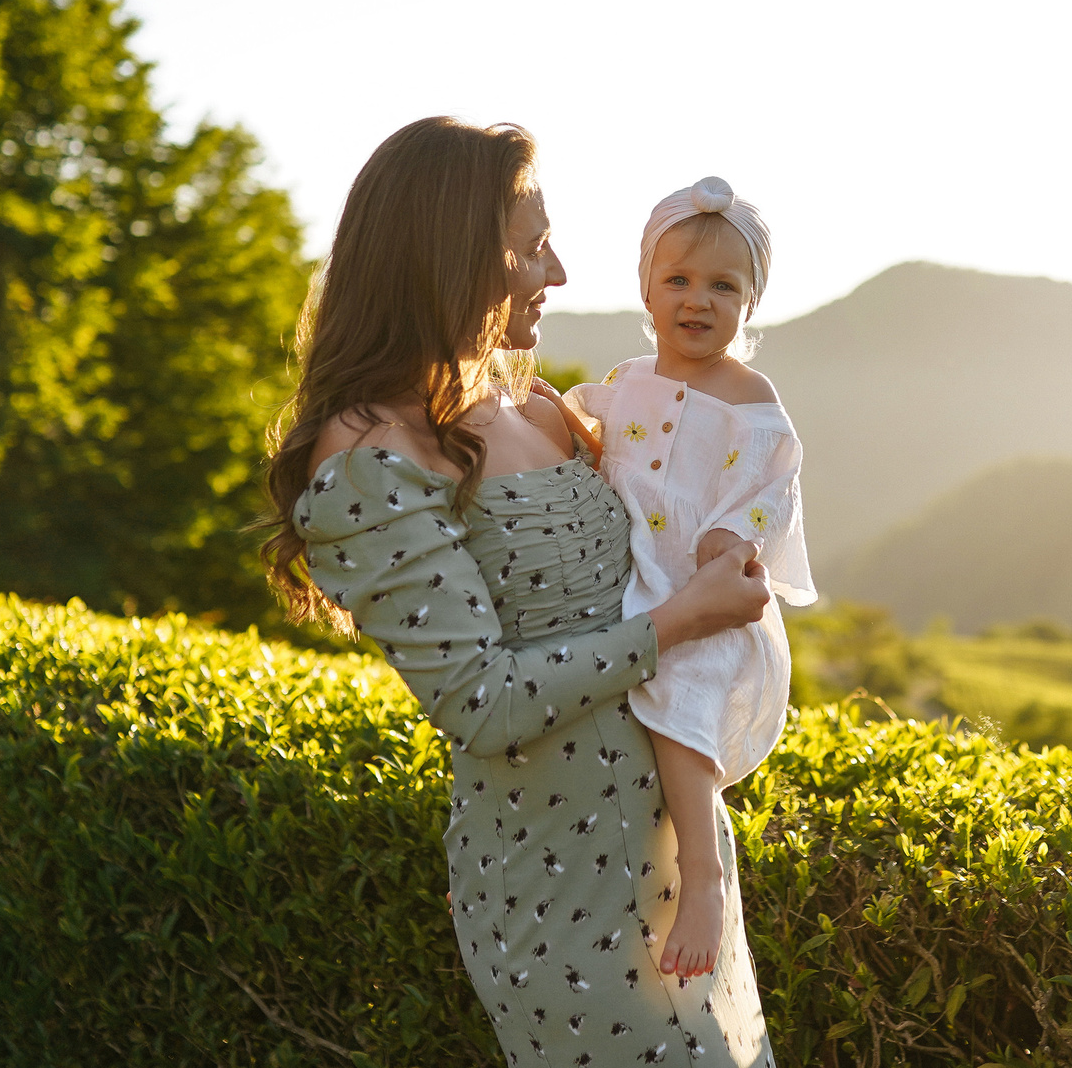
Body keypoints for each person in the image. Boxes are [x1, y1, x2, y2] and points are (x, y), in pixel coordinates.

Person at [261, 118, 780, 1067]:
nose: (560, 272)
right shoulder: (369, 458)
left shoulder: (537, 405)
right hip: (561, 887)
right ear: (451, 253)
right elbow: (483, 701)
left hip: (678, 858)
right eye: (532, 244)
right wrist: (683, 618)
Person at [563, 177, 815, 982]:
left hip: (708, 602)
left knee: (681, 708)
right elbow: (600, 433)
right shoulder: (632, 376)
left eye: (723, 286)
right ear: (646, 285)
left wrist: (730, 534)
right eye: (677, 279)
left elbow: (772, 489)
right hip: (635, 581)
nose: (697, 300)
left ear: (751, 301)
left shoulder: (752, 398)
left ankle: (703, 876)